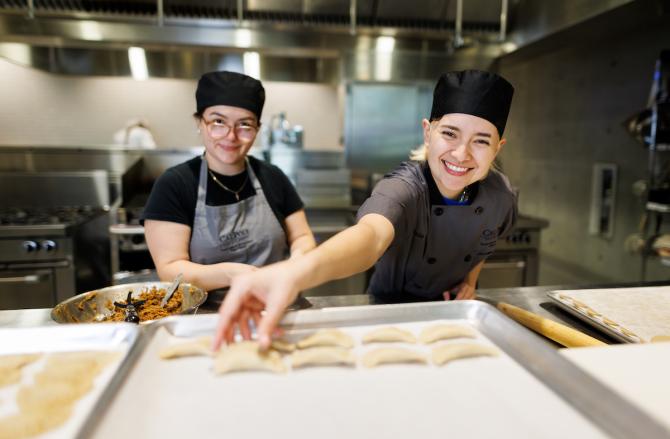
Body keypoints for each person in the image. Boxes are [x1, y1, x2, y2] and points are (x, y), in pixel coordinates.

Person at [213, 70, 517, 349]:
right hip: (389, 315)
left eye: (480, 141)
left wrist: (470, 280)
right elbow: (370, 236)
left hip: (457, 317)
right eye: (449, 134)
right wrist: (296, 273)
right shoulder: (404, 187)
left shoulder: (500, 195)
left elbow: (484, 240)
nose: (461, 154)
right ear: (428, 133)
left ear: (498, 149)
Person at [142, 71, 316, 294]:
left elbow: (301, 237)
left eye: (244, 125)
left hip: (274, 301)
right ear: (199, 123)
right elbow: (170, 268)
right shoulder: (175, 184)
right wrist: (233, 275)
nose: (231, 136)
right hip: (203, 313)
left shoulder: (273, 177)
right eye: (218, 122)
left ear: (257, 130)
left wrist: (296, 262)